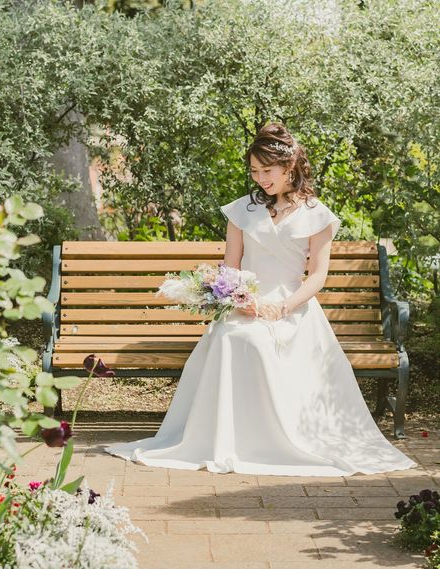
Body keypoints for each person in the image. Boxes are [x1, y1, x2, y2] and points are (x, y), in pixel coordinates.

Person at [103, 122, 417, 476]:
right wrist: (241, 299)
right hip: (245, 300)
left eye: (267, 171)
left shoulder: (317, 215)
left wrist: (283, 307)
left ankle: (271, 441)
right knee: (233, 337)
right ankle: (228, 439)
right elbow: (230, 266)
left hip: (293, 306)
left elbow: (317, 276)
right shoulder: (243, 210)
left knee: (262, 343)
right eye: (254, 171)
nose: (260, 178)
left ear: (290, 166)